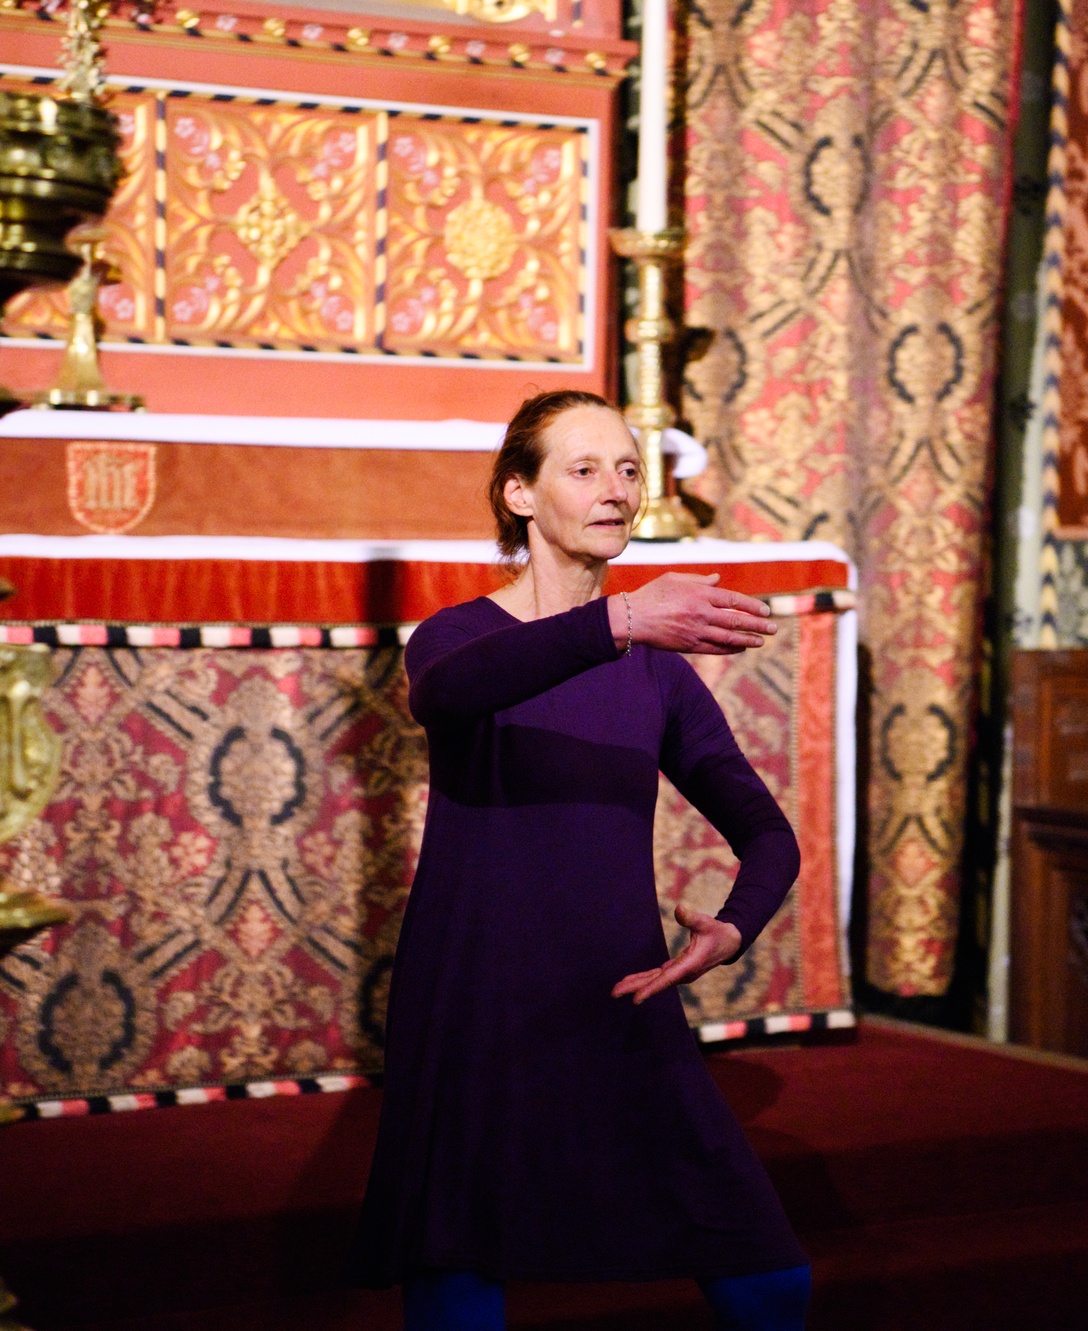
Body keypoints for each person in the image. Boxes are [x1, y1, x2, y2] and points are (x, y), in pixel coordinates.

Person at [349, 390, 813, 1330]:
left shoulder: (657, 672)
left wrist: (733, 927)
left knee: (769, 1273)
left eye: (630, 469)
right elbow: (449, 695)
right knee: (458, 1261)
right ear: (519, 494)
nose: (617, 489)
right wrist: (622, 621)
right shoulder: (458, 636)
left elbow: (770, 835)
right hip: (476, 993)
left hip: (616, 990)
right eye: (586, 468)